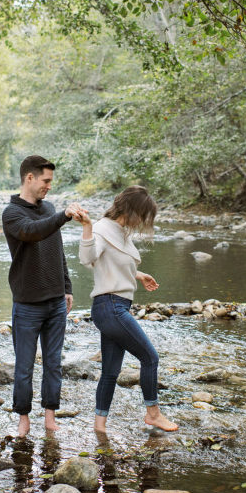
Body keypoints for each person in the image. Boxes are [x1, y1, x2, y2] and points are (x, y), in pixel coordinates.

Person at [76, 185, 178, 433]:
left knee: (110, 371)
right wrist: (87, 227)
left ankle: (99, 427)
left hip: (113, 306)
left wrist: (140, 275)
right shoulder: (101, 228)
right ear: (131, 210)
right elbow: (88, 258)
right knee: (150, 358)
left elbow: (114, 264)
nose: (143, 221)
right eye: (143, 215)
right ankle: (153, 413)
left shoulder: (122, 232)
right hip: (110, 306)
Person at [2, 155, 86, 436]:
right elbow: (32, 232)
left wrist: (67, 287)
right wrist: (62, 216)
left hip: (55, 303)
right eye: (46, 181)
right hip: (27, 305)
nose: (49, 186)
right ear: (30, 178)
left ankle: (50, 418)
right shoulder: (12, 214)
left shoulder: (48, 208)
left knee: (54, 364)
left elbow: (57, 250)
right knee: (24, 368)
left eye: (50, 181)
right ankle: (23, 420)